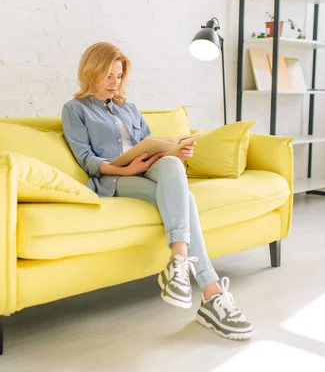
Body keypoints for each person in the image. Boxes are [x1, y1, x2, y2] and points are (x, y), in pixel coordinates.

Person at [61, 42, 253, 340]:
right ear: (91, 72)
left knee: (174, 166)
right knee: (186, 199)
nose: (115, 84)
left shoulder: (129, 108)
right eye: (108, 76)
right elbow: (86, 159)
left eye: (119, 76)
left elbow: (150, 144)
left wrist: (174, 151)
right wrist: (125, 169)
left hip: (146, 166)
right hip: (114, 178)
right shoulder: (75, 110)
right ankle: (211, 293)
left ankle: (178, 261)